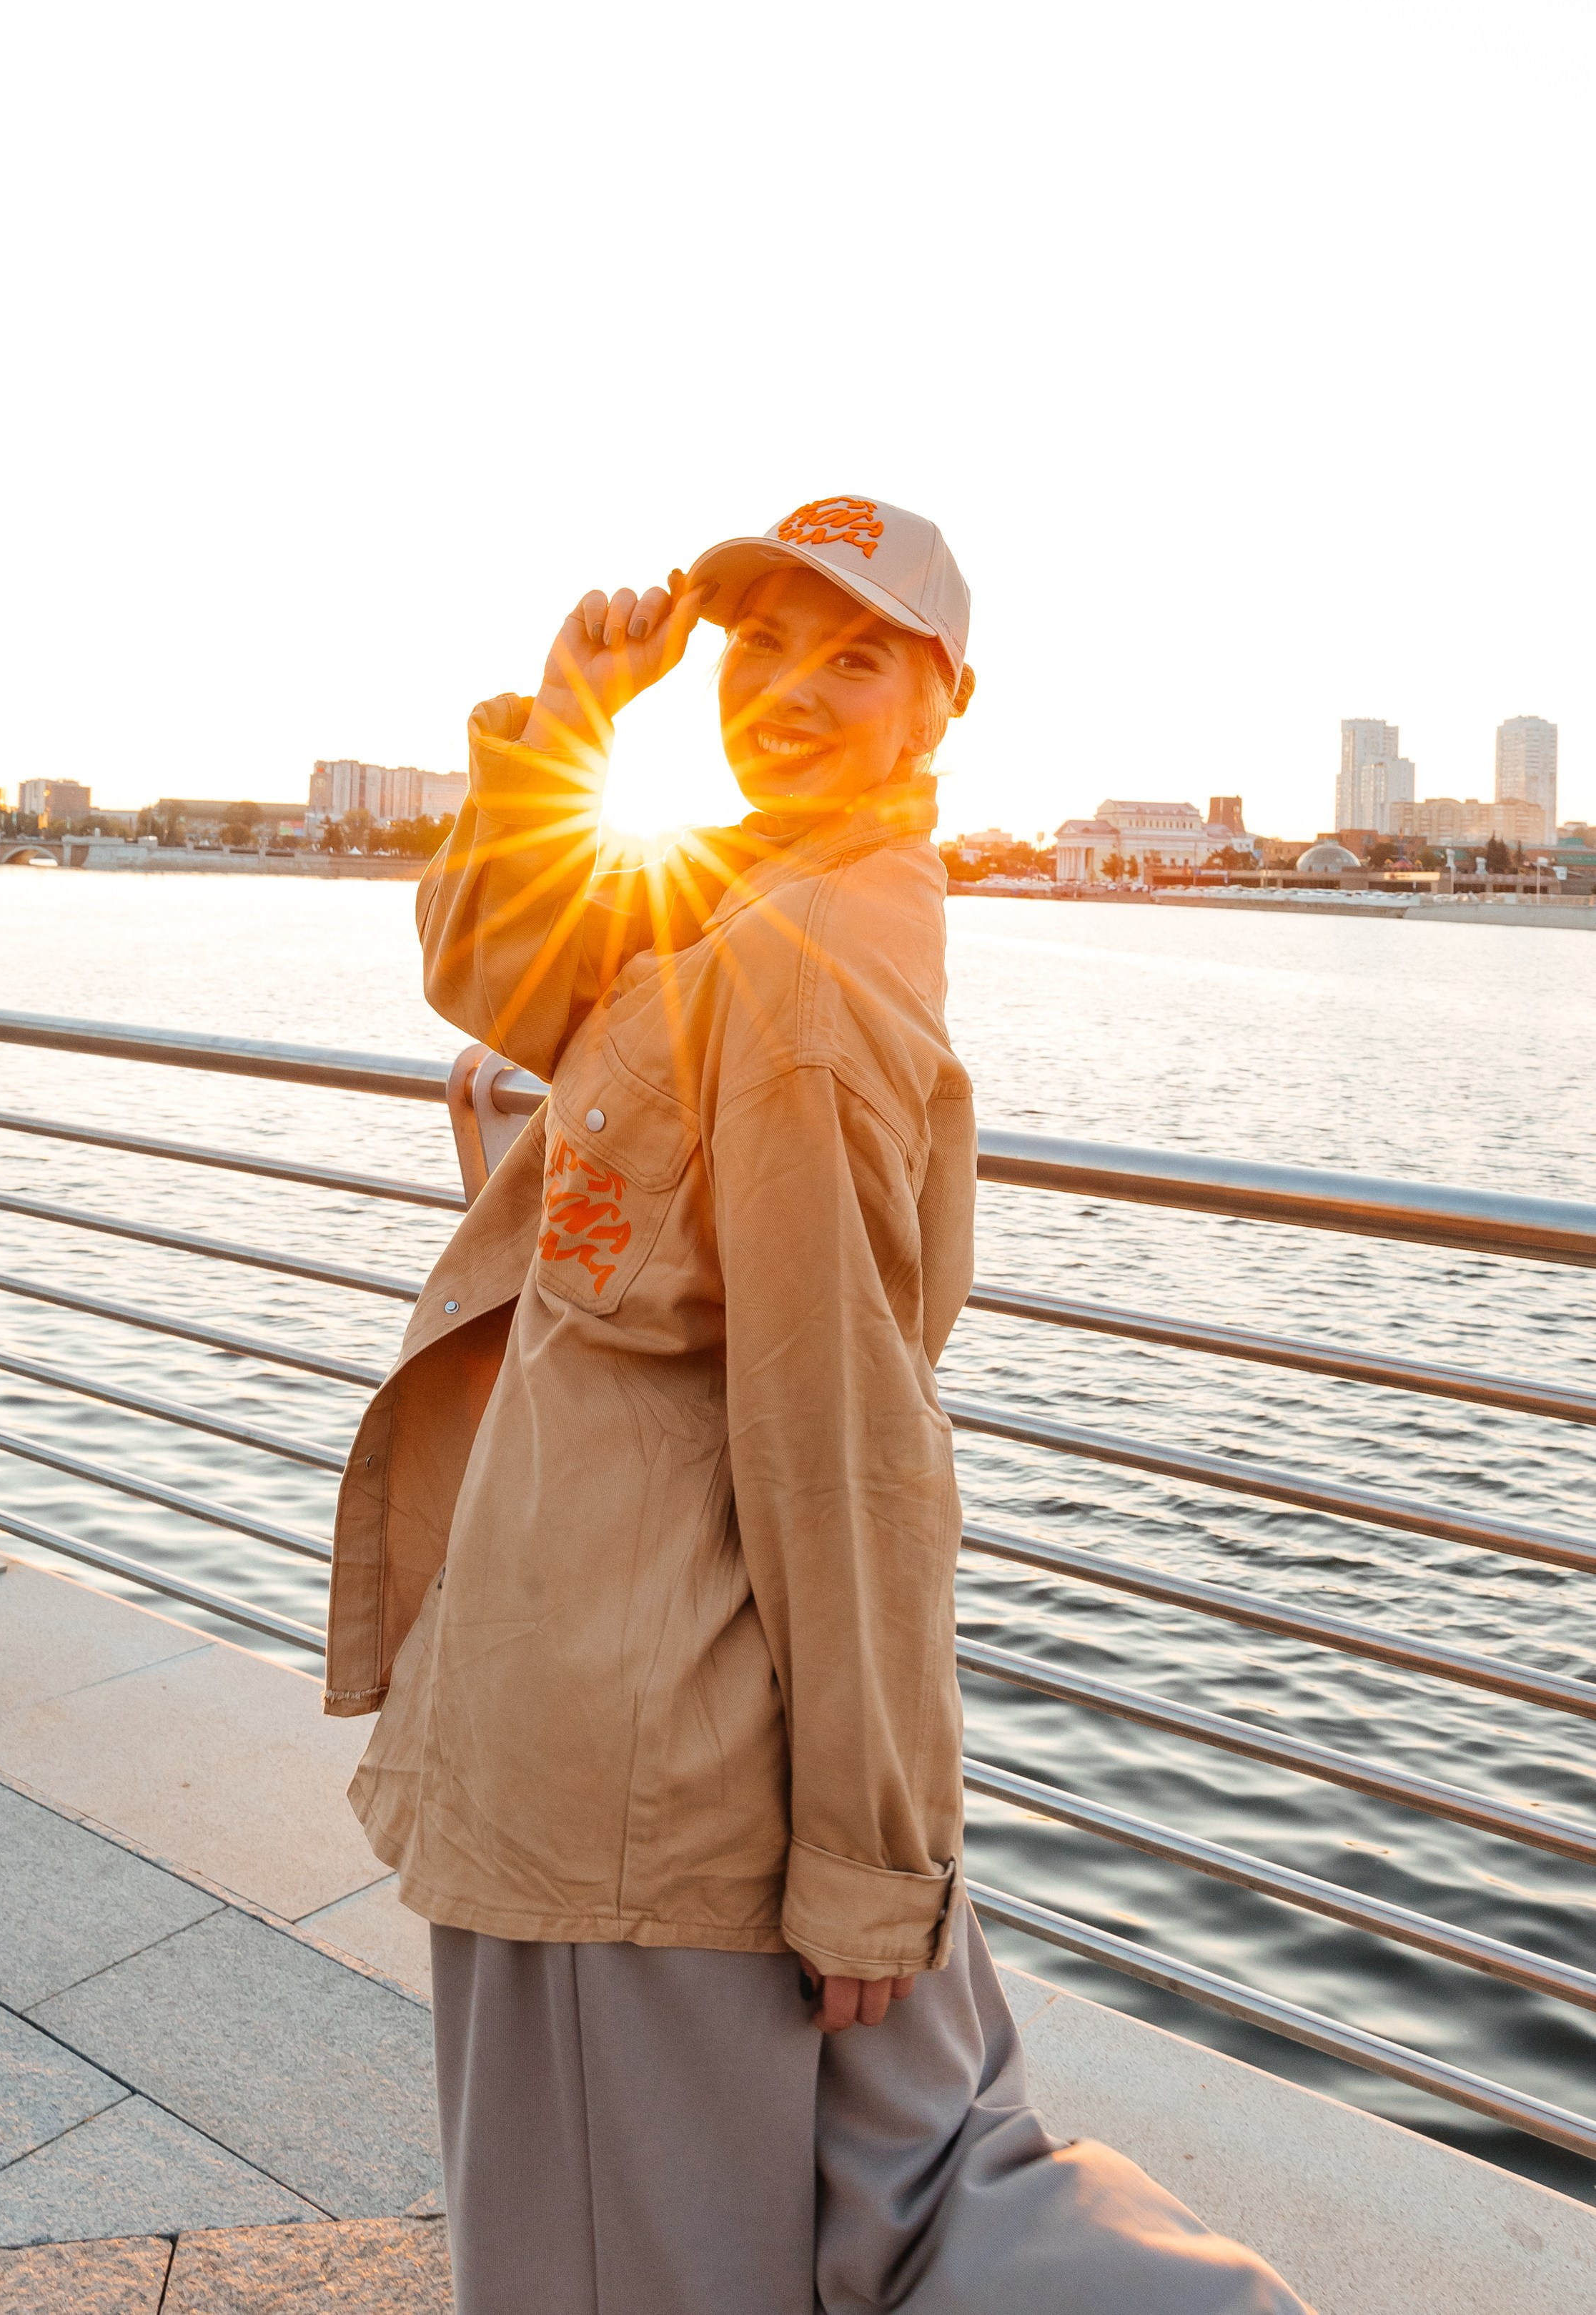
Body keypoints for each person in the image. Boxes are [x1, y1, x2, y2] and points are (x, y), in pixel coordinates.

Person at [325, 495, 1309, 2314]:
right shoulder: (750, 901)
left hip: (647, 1765)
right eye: (761, 642)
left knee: (620, 2271)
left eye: (854, 652)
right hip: (623, 1720)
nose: (789, 686)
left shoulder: (793, 975)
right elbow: (495, 963)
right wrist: (575, 712)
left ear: (944, 701)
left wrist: (868, 1858)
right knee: (862, 2209)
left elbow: (841, 1444)